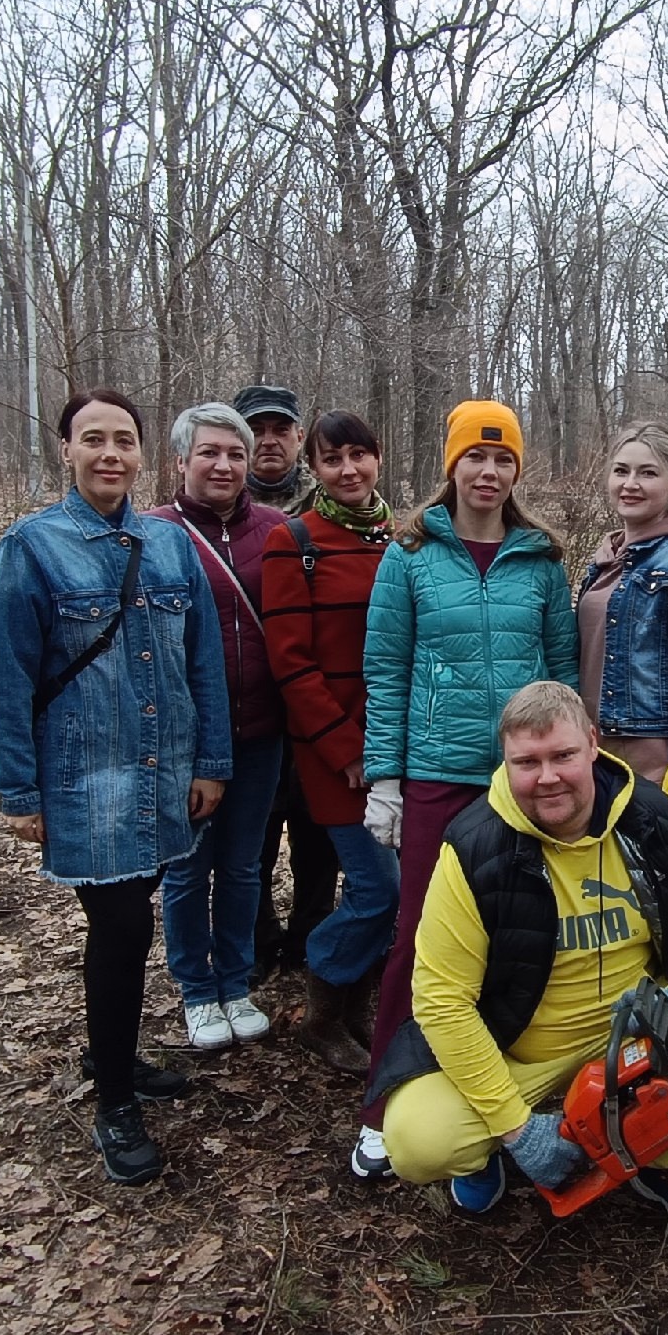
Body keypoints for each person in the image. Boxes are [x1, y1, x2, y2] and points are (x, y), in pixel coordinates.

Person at [372, 682, 668, 1249]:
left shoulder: (651, 815)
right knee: (417, 1140)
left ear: (593, 746)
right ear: (504, 762)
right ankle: (487, 1155)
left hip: (637, 1033)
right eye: (526, 762)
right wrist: (515, 1127)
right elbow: (441, 998)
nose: (546, 777)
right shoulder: (475, 847)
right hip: (519, 1046)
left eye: (562, 756)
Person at [0, 389, 231, 1186]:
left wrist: (211, 761)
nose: (110, 453)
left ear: (142, 454)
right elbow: (10, 677)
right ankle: (115, 1098)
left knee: (136, 917)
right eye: (94, 439)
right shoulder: (32, 548)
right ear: (67, 449)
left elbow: (203, 665)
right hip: (89, 780)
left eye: (123, 439)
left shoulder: (168, 545)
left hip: (165, 771)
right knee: (120, 931)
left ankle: (109, 1048)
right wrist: (17, 790)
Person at [354, 399, 579, 1181]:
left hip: (523, 783)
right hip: (437, 779)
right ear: (452, 464)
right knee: (420, 938)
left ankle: (494, 1094)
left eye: (503, 459)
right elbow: (384, 670)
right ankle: (387, 1104)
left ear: (519, 469)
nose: (488, 472)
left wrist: (567, 769)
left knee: (520, 938)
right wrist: (385, 776)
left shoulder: (542, 559)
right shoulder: (411, 554)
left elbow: (561, 677)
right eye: (475, 458)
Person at [259, 411, 399, 1076]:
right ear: (313, 468)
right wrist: (346, 749)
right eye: (332, 458)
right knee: (378, 890)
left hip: (401, 748)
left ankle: (356, 1004)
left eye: (358, 456)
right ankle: (321, 1004)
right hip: (336, 756)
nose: (348, 470)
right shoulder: (296, 543)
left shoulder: (400, 538)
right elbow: (290, 664)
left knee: (392, 888)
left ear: (378, 458)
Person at [149, 403, 290, 1052]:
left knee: (241, 867)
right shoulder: (155, 534)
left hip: (263, 731)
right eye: (209, 452)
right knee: (186, 868)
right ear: (182, 461)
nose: (224, 464)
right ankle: (197, 991)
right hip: (183, 741)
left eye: (234, 453)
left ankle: (235, 981)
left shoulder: (277, 530)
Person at [235, 383, 338, 983]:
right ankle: (253, 945)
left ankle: (311, 940)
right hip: (249, 714)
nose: (269, 441)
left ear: (300, 439)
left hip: (318, 711)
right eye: (258, 430)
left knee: (319, 840)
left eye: (281, 429)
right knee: (250, 844)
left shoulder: (333, 507)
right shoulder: (220, 511)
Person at [575, 424, 668, 811]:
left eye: (648, 473)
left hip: (655, 762)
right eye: (621, 470)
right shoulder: (605, 560)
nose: (631, 484)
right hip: (593, 756)